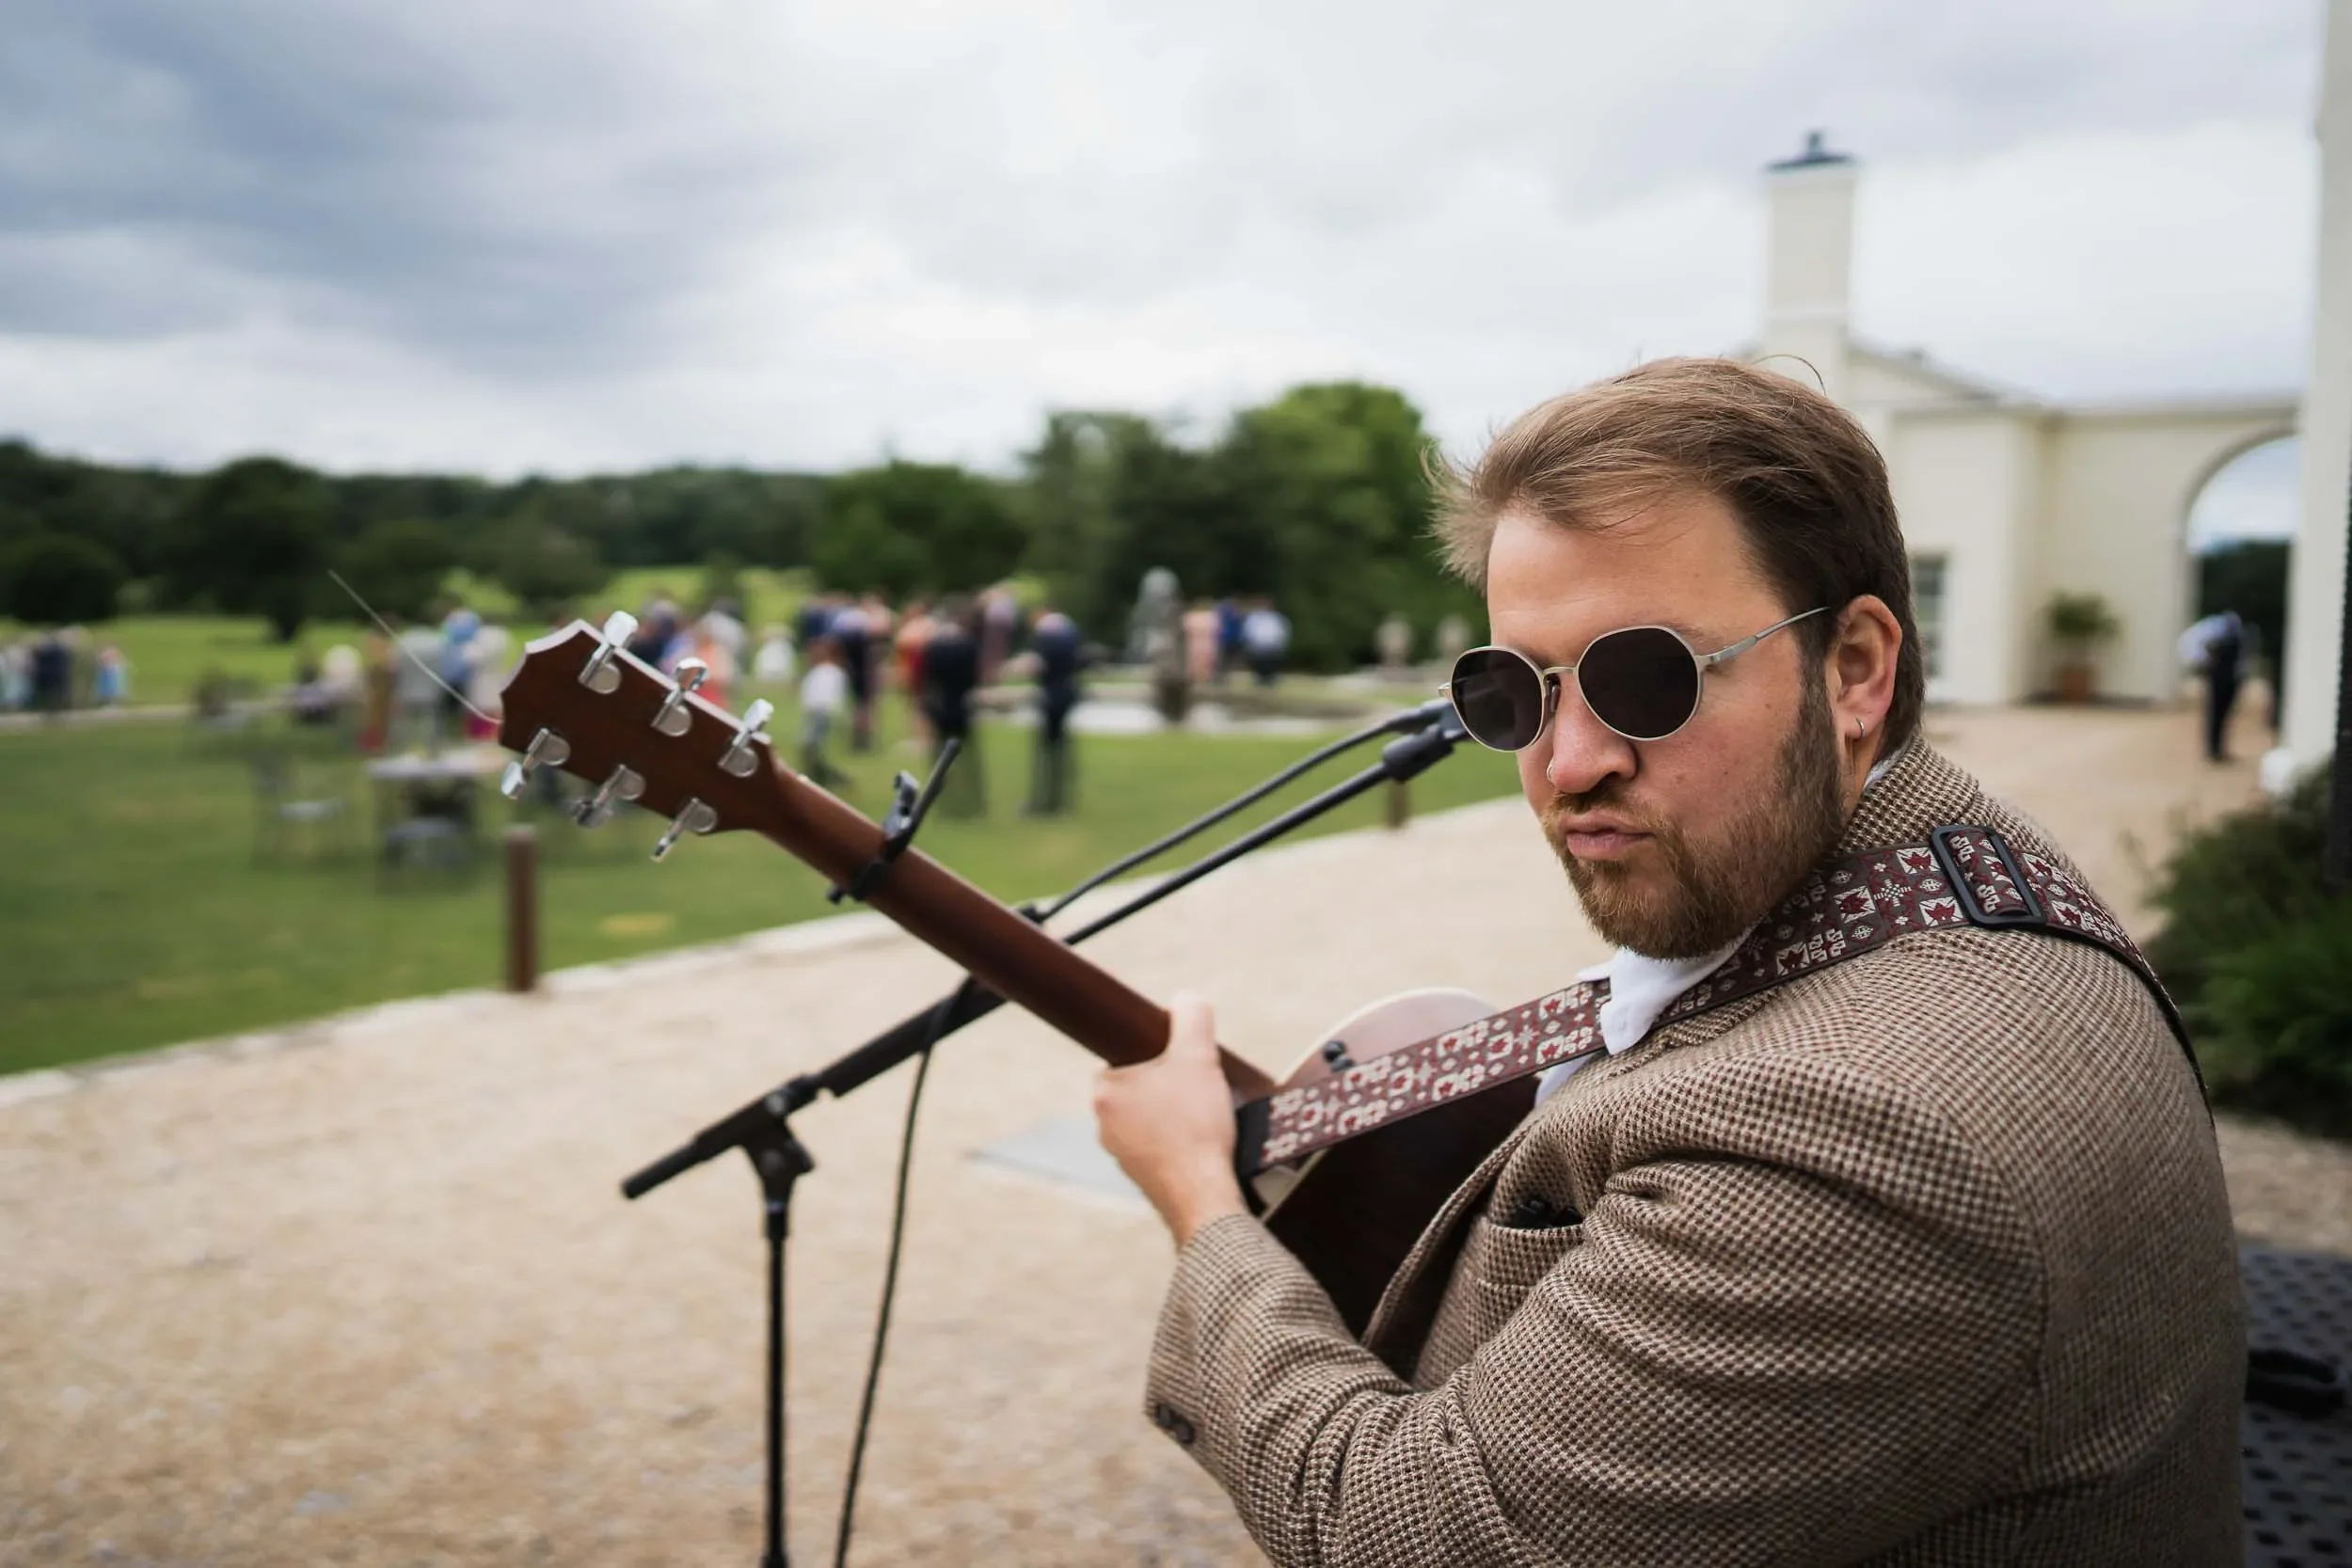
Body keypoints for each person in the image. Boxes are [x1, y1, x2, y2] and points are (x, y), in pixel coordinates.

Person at [1092, 358, 2239, 1566]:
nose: (1569, 758)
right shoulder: (1970, 869)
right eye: (1512, 689)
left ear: (1855, 667)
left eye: (1647, 676)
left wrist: (1201, 1201)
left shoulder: (1858, 1138)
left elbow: (1405, 1534)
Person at [920, 597, 984, 816]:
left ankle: (940, 801)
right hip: (962, 705)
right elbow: (973, 679)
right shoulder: (968, 645)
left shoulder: (935, 645)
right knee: (968, 755)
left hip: (941, 705)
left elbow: (929, 678)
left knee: (939, 757)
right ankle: (973, 800)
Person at [1025, 607, 1085, 816]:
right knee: (1060, 747)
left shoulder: (1045, 635)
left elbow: (1040, 666)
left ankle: (1045, 800)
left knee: (1046, 749)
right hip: (1067, 693)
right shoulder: (1069, 631)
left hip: (1051, 697)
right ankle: (1060, 796)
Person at [2178, 609, 2246, 763]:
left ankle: (2219, 748)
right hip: (2219, 676)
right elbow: (2189, 643)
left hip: (2228, 677)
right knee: (2216, 713)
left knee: (2224, 715)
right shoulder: (2213, 629)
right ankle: (2213, 749)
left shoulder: (2231, 631)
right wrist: (2204, 662)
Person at [796, 636, 849, 790]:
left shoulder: (832, 672)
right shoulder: (819, 671)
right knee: (809, 746)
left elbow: (831, 695)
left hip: (822, 713)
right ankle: (816, 773)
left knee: (810, 743)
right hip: (814, 713)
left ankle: (823, 775)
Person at [1238, 597, 1290, 687]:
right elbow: (1248, 630)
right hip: (1258, 646)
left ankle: (1270, 681)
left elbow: (1282, 632)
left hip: (1272, 646)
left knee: (1271, 665)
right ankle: (1260, 681)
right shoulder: (1255, 617)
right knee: (1259, 665)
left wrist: (1280, 643)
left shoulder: (1276, 618)